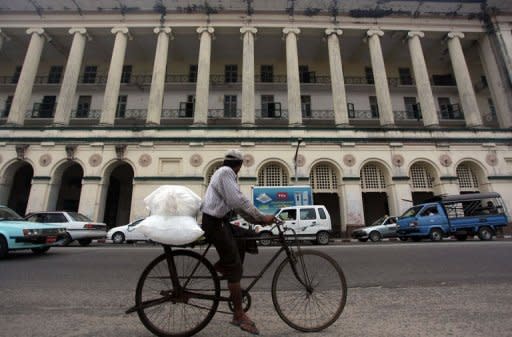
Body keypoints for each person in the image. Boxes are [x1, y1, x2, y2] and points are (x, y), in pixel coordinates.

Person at [200, 149, 275, 335]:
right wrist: (261, 216)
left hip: (220, 221)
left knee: (245, 238)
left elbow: (238, 207)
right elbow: (237, 201)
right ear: (239, 165)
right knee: (235, 267)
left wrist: (257, 221)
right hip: (215, 223)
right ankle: (238, 314)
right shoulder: (226, 173)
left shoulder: (225, 174)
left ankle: (230, 271)